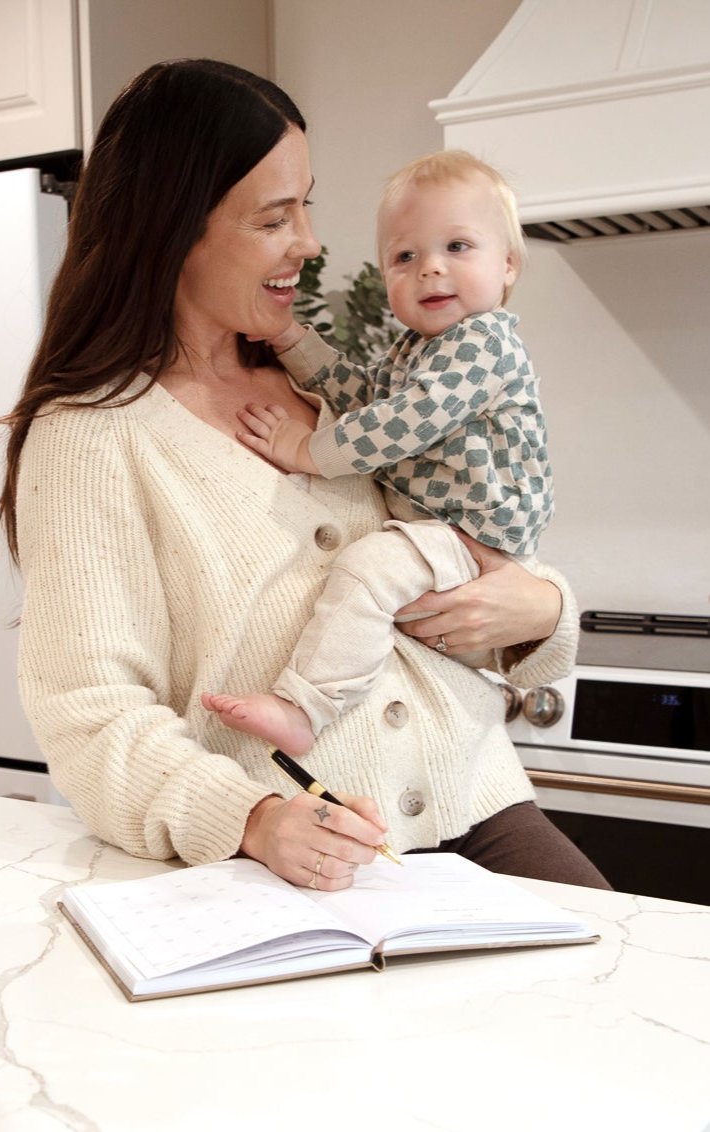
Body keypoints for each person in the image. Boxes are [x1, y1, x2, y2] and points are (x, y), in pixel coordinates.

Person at [0, 59, 609, 893]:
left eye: (306, 207)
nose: (310, 243)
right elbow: (90, 715)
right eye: (274, 217)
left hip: (482, 801)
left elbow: (447, 546)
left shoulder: (322, 394)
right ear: (173, 228)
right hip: (309, 853)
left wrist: (542, 611)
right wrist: (250, 819)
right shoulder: (92, 437)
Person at [202, 150, 552, 760]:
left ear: (508, 265)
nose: (430, 268)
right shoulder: (417, 348)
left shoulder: (484, 342)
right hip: (444, 527)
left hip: (469, 533)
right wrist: (292, 340)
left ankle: (306, 706)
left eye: (458, 247)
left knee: (369, 570)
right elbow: (366, 399)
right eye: (404, 256)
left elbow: (403, 422)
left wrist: (304, 449)